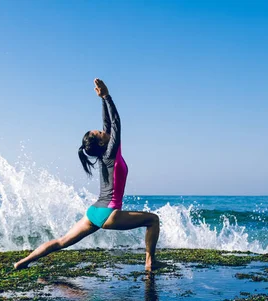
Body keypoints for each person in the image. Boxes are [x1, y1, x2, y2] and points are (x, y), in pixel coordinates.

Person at [14, 78, 161, 271]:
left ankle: (21, 263)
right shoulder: (110, 154)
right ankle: (149, 262)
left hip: (94, 212)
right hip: (110, 214)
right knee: (153, 220)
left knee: (61, 241)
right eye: (100, 133)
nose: (103, 131)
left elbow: (108, 124)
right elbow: (116, 123)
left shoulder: (106, 153)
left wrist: (101, 99)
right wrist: (108, 96)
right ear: (101, 143)